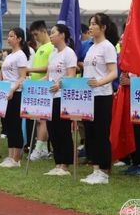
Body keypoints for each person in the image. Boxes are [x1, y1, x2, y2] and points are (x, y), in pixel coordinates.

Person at [80, 13, 119, 185]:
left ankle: (103, 171)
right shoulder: (91, 47)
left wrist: (99, 82)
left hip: (102, 95)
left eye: (94, 24)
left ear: (103, 27)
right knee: (90, 133)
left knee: (101, 132)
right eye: (90, 23)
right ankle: (95, 168)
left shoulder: (107, 47)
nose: (90, 27)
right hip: (88, 95)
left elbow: (113, 72)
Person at [44, 24, 77, 176]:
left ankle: (65, 164)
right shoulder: (53, 54)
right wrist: (34, 84)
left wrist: (59, 84)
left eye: (53, 33)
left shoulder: (69, 53)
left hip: (63, 97)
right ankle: (57, 163)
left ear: (62, 35)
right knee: (52, 130)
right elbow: (48, 76)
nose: (50, 36)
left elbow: (71, 75)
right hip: (51, 97)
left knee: (63, 130)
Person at [0, 27, 30, 168]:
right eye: (8, 36)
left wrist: (13, 89)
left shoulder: (21, 55)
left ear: (19, 39)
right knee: (8, 125)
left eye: (12, 36)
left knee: (15, 125)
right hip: (6, 92)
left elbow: (22, 77)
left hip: (15, 93)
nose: (8, 38)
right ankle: (10, 156)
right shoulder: (10, 55)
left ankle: (16, 158)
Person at [27, 20, 52, 161]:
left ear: (44, 31)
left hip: (45, 87)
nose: (35, 37)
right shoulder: (40, 48)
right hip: (37, 87)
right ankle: (42, 149)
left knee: (42, 119)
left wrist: (29, 69)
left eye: (36, 34)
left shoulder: (50, 47)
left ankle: (39, 147)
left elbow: (48, 68)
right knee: (37, 119)